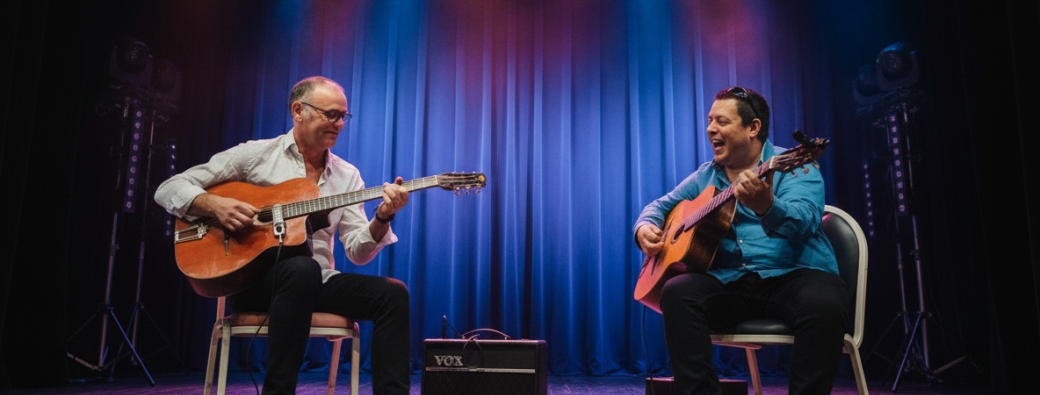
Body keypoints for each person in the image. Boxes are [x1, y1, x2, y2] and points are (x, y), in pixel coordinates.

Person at [155, 76, 411, 394]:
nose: (339, 123)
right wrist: (214, 204)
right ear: (298, 110)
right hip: (256, 282)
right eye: (330, 114)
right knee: (302, 269)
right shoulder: (255, 156)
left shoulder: (348, 175)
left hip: (317, 282)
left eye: (343, 116)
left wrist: (383, 217)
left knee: (393, 293)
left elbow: (358, 252)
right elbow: (169, 188)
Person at [633, 86, 847, 395]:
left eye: (721, 121)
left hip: (794, 276)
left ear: (753, 128)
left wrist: (767, 207)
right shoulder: (706, 176)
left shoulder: (797, 165)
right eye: (709, 120)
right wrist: (645, 227)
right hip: (732, 282)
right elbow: (659, 207)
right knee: (678, 292)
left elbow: (807, 220)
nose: (710, 129)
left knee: (826, 301)